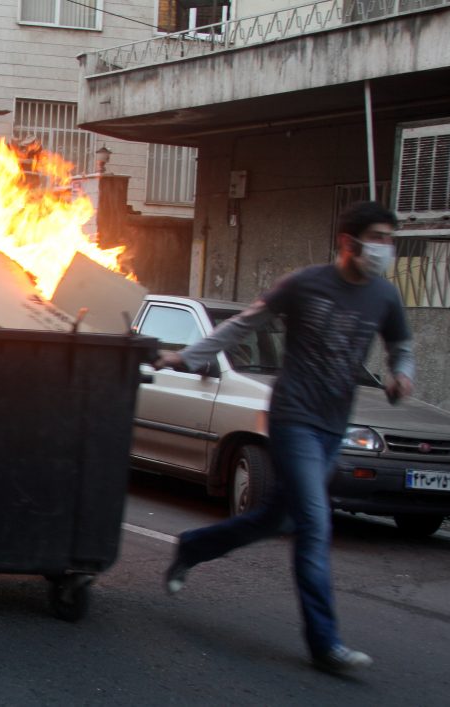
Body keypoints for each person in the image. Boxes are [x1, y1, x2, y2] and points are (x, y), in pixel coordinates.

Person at [157, 201, 415, 674]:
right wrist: (187, 358)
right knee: (315, 524)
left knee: (274, 519)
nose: (384, 248)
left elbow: (402, 345)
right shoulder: (304, 284)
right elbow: (242, 324)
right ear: (347, 242)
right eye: (376, 237)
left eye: (388, 239)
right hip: (293, 419)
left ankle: (192, 547)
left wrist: (401, 374)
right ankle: (325, 644)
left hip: (334, 427)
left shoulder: (384, 296)